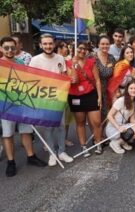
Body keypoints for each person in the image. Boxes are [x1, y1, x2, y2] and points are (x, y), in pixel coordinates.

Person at [0, 36, 47, 177]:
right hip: (5, 106)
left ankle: (31, 156)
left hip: (22, 103)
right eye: (6, 48)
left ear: (17, 48)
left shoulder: (21, 63)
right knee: (7, 134)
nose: (10, 50)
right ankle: (11, 162)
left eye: (12, 48)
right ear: (1, 49)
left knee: (26, 131)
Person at [29, 33, 73, 166]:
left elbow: (64, 76)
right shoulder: (35, 60)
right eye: (45, 44)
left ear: (54, 44)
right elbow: (31, 80)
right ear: (41, 45)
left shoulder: (60, 58)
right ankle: (52, 153)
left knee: (60, 126)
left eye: (50, 43)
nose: (48, 46)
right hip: (44, 99)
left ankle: (62, 152)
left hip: (59, 98)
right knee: (47, 128)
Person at [66, 42, 103, 157]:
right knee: (80, 122)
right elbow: (74, 81)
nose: (82, 51)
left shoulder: (91, 62)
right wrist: (73, 65)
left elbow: (97, 80)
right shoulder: (67, 63)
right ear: (74, 49)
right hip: (76, 96)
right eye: (80, 48)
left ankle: (98, 143)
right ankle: (83, 146)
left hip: (90, 94)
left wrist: (100, 97)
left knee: (96, 122)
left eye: (85, 49)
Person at [105, 80, 135, 154]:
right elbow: (109, 116)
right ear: (127, 90)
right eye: (131, 88)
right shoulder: (121, 100)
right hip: (113, 128)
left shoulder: (134, 102)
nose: (133, 90)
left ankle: (122, 141)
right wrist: (118, 127)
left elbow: (132, 120)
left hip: (123, 127)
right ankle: (115, 143)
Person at [95, 35, 116, 120]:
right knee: (96, 119)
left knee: (107, 117)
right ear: (98, 45)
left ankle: (104, 133)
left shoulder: (111, 58)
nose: (105, 46)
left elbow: (115, 75)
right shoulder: (92, 57)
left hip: (108, 92)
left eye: (107, 44)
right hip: (95, 92)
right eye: (102, 44)